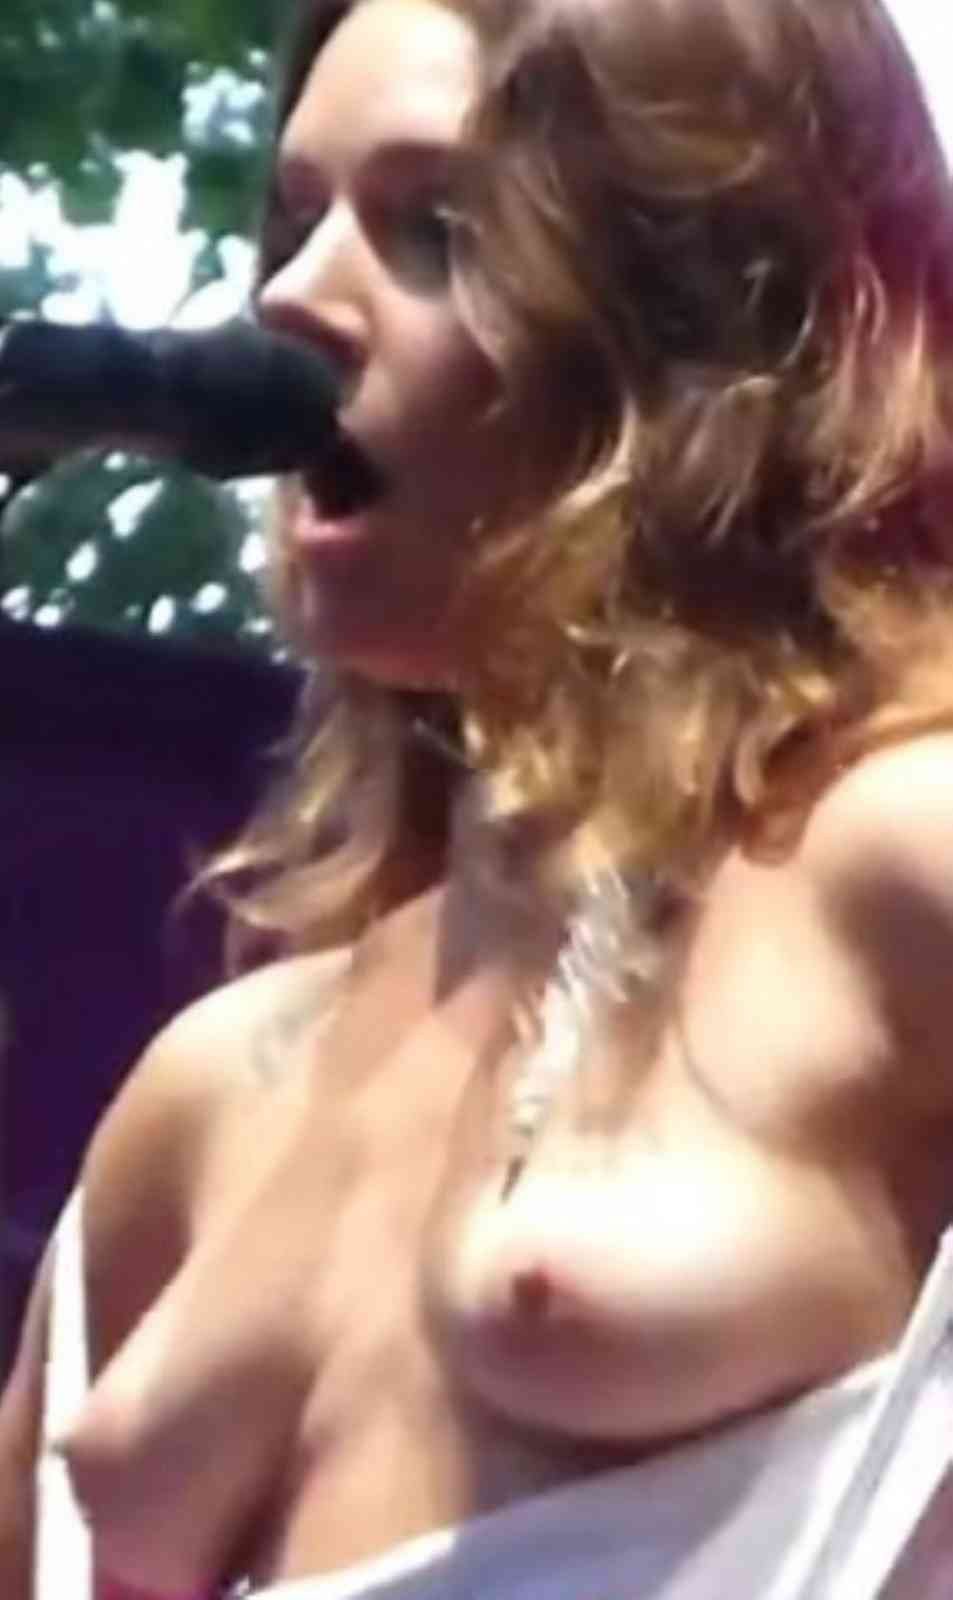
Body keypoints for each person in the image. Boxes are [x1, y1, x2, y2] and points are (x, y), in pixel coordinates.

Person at [4, 0, 953, 1594]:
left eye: (437, 229)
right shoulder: (215, 1084)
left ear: (709, 332)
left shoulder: (887, 869)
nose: (291, 301)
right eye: (295, 222)